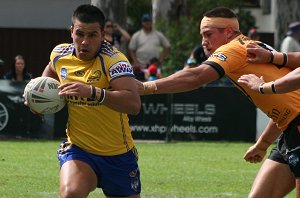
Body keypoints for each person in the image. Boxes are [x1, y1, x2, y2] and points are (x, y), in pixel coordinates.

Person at [136, 7, 300, 198]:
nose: (204, 42)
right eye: (202, 35)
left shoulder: (233, 49)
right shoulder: (250, 45)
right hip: (291, 130)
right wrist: (262, 144)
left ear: (228, 32)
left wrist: (147, 87)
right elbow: (288, 106)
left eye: (208, 34)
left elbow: (197, 76)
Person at [24, 5, 141, 197]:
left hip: (118, 154)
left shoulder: (115, 61)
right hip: (79, 150)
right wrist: (37, 98)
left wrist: (94, 92)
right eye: (79, 34)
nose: (85, 42)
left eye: (92, 35)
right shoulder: (60, 55)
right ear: (71, 31)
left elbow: (133, 104)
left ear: (103, 34)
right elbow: (48, 77)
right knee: (71, 193)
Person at [128, 13, 171, 81]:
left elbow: (167, 46)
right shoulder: (137, 35)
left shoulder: (158, 34)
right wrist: (135, 62)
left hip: (155, 65)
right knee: (141, 86)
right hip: (141, 66)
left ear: (151, 22)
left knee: (157, 86)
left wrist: (161, 59)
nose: (147, 23)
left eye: (149, 21)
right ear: (142, 22)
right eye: (145, 21)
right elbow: (131, 50)